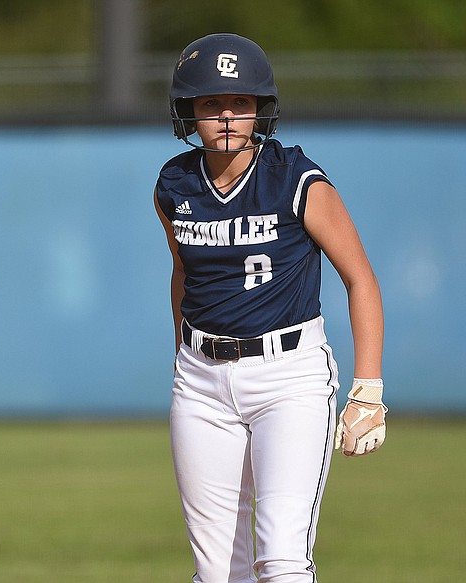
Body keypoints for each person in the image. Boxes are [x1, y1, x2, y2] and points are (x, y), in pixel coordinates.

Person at [154, 34, 386, 582]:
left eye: (241, 102)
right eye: (210, 103)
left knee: (281, 560)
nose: (228, 115)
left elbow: (361, 280)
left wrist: (369, 388)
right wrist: (183, 359)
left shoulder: (296, 179)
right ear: (189, 112)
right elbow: (184, 273)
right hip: (201, 378)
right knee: (216, 572)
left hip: (290, 376)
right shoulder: (174, 183)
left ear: (262, 109)